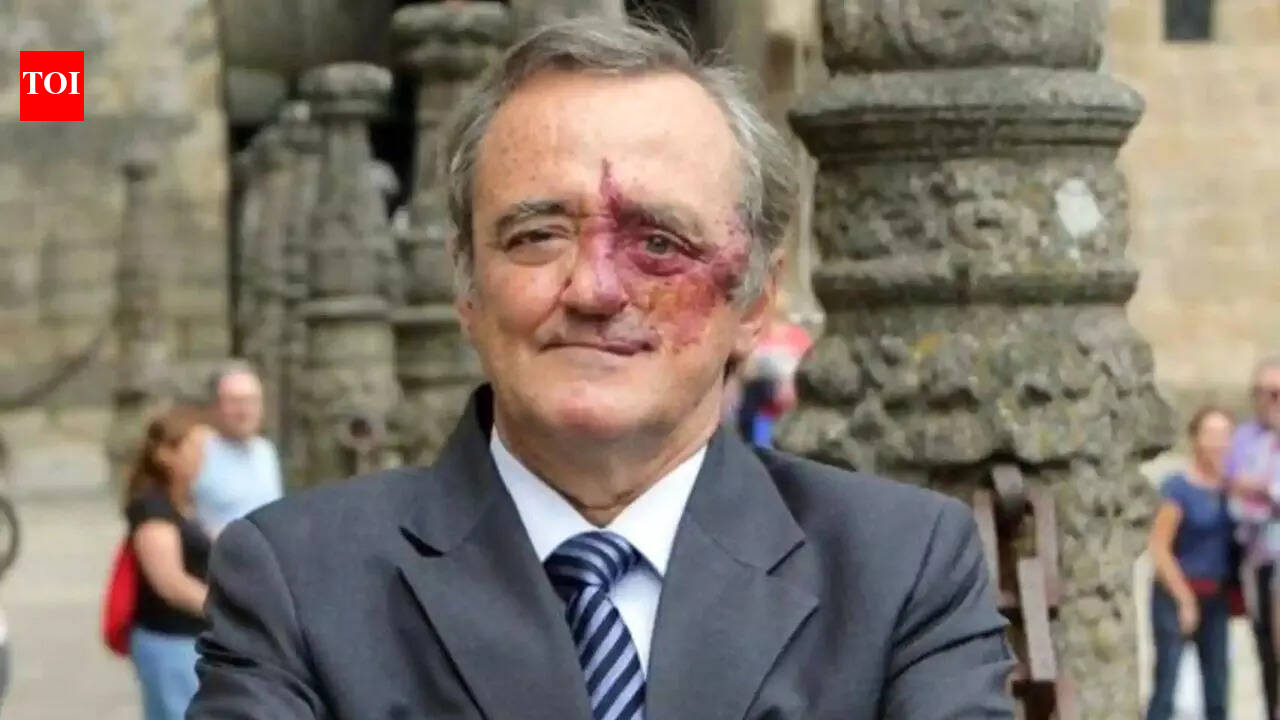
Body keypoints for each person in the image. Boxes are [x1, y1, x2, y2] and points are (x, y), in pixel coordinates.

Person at [189, 20, 1013, 719]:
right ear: (466, 285)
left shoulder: (900, 569)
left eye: (659, 242)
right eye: (537, 236)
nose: (593, 289)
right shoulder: (298, 583)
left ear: (755, 300)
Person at [123, 406, 213, 720]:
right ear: (165, 454)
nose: (202, 457)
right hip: (170, 639)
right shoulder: (153, 509)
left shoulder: (184, 502)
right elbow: (170, 582)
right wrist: (223, 609)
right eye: (195, 448)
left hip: (190, 639)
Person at [1146, 407, 1236, 720]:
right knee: (1166, 687)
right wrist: (1184, 600)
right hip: (1175, 595)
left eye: (1224, 435)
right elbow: (1159, 548)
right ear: (1195, 439)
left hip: (1216, 600)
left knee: (1217, 692)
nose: (1218, 443)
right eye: (1210, 434)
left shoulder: (1232, 489)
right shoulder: (1177, 487)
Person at [1228, 356, 1280, 718]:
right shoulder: (1245, 438)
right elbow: (1232, 489)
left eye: (1276, 393)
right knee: (1264, 645)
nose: (1268, 402)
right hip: (1257, 556)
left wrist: (1262, 489)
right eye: (1260, 393)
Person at [192, 361, 283, 537]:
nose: (244, 411)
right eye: (234, 402)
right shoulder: (197, 450)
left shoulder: (265, 451)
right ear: (215, 406)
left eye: (252, 401)